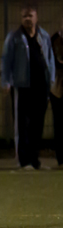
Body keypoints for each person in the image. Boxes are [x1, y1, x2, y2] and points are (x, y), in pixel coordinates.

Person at [1, 4, 56, 170]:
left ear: (36, 17)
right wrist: (6, 81)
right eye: (24, 16)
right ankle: (23, 160)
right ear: (21, 18)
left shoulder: (43, 36)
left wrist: (51, 80)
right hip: (22, 86)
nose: (27, 19)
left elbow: (50, 59)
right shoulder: (15, 37)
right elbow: (6, 60)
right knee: (22, 125)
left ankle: (35, 160)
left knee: (37, 125)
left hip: (41, 87)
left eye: (30, 15)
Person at [50, 14, 63, 168]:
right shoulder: (53, 40)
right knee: (59, 124)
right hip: (57, 88)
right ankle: (61, 159)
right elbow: (55, 61)